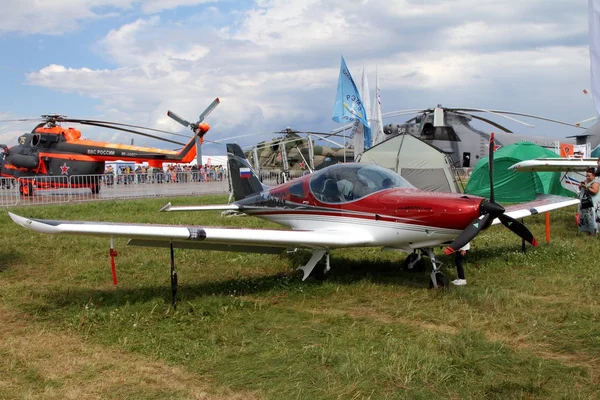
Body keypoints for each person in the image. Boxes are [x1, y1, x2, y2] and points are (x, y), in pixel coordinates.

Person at [578, 167, 600, 235]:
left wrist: (586, 187)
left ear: (593, 175)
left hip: (594, 204)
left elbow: (595, 191)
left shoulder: (595, 183)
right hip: (586, 203)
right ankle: (588, 232)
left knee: (594, 219)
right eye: (586, 175)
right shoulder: (586, 181)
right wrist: (580, 186)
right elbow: (581, 188)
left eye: (589, 176)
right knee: (587, 218)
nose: (587, 177)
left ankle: (595, 232)